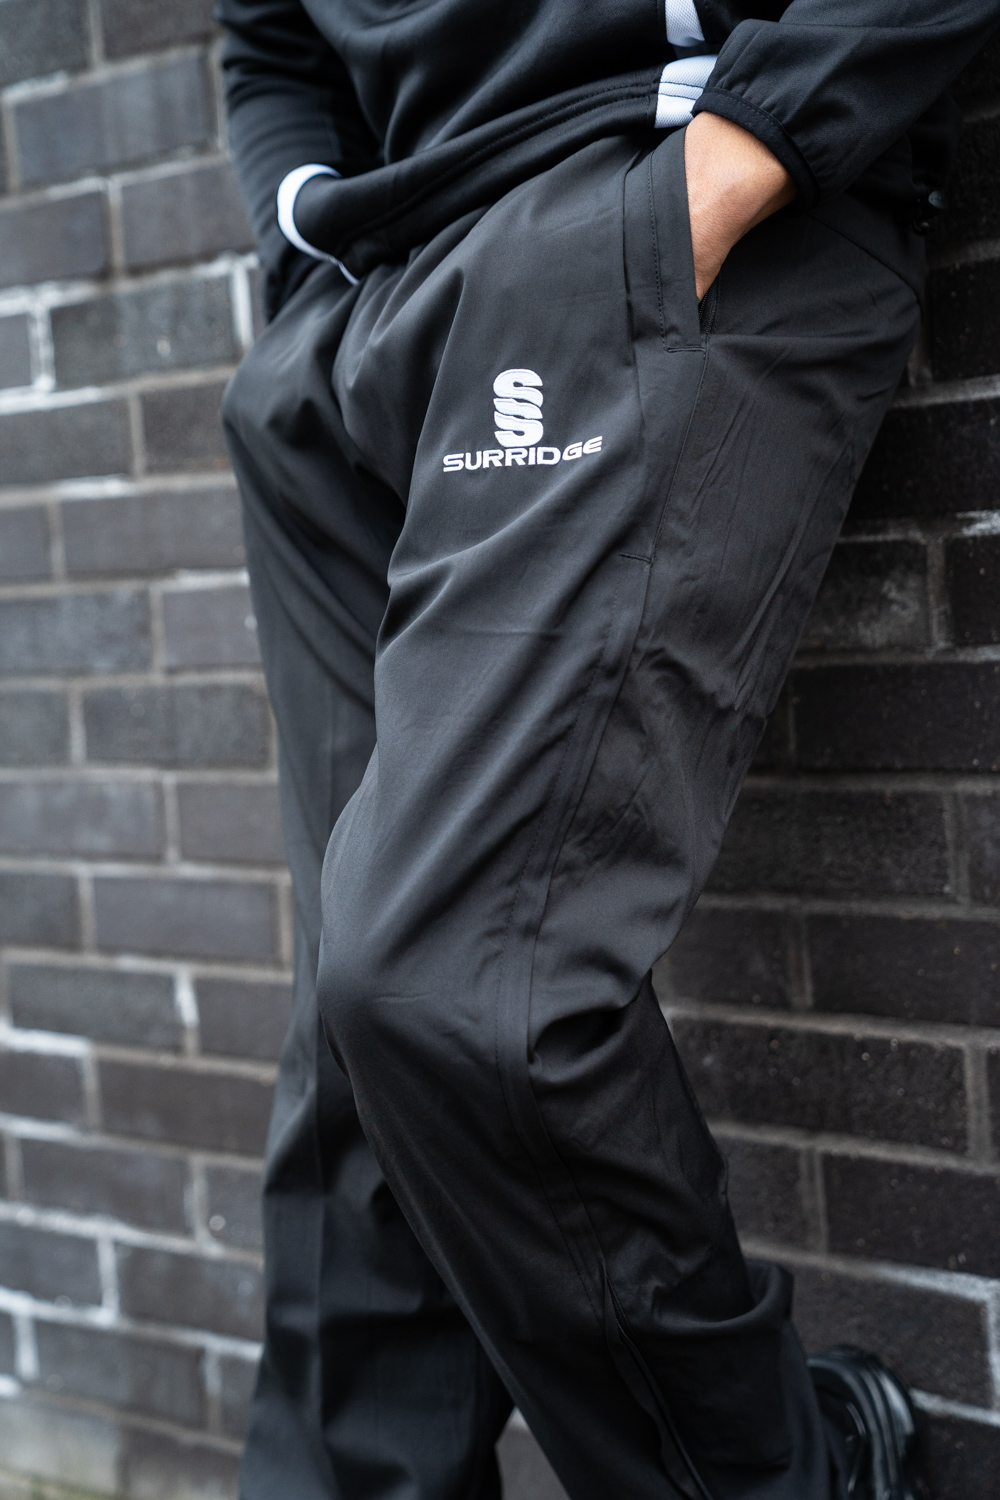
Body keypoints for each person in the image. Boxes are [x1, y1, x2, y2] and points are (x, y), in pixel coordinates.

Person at [218, 4, 1000, 1497]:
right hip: (348, 329)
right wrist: (300, 250)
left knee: (454, 989)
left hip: (626, 219)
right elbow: (266, 41)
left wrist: (752, 145)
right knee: (347, 1049)